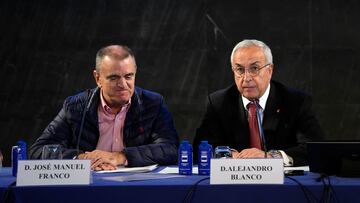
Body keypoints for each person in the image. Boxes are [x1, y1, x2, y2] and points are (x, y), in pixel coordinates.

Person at [30, 45, 179, 170]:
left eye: (128, 76)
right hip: (88, 186)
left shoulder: (153, 103)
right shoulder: (75, 107)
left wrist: (121, 156)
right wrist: (83, 159)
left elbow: (171, 149)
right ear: (97, 78)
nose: (123, 84)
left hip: (135, 187)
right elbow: (38, 150)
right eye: (113, 78)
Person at [194, 39, 324, 166]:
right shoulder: (219, 102)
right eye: (239, 69)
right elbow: (200, 147)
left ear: (270, 70)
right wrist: (228, 155)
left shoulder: (295, 102)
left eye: (254, 68)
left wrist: (270, 157)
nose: (247, 78)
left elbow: (314, 147)